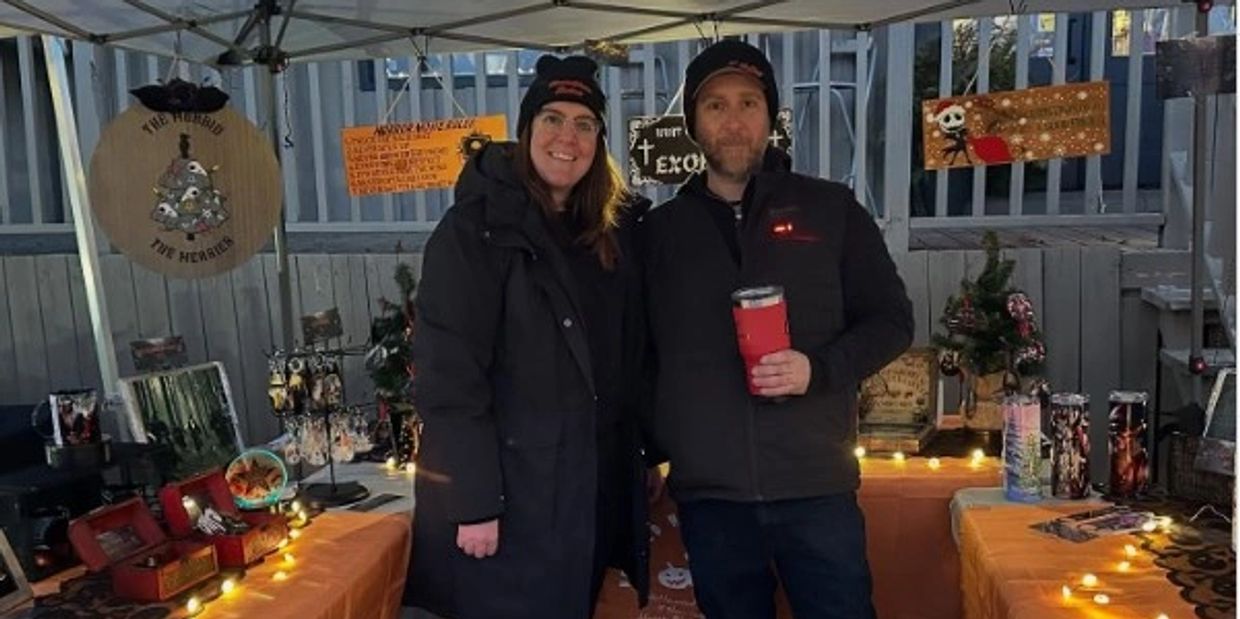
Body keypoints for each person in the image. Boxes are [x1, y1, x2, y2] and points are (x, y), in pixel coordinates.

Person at [639, 39, 914, 619]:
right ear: (692, 123)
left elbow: (892, 321)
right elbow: (640, 356)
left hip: (817, 488)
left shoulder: (831, 210)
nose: (734, 121)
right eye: (715, 106)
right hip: (711, 498)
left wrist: (819, 369)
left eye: (749, 103)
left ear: (770, 116)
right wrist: (648, 450)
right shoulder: (658, 234)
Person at [404, 55, 651, 619]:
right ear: (525, 131)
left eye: (584, 124)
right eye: (552, 119)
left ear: (599, 141)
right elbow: (448, 376)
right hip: (508, 499)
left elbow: (625, 359)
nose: (568, 137)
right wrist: (472, 500)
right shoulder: (474, 231)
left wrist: (642, 458)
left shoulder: (608, 234)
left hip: (584, 491)